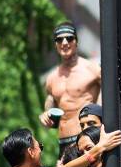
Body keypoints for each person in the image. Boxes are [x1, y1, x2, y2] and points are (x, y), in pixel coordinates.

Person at [39, 22, 102, 156]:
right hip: (63, 141)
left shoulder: (92, 69)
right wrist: (46, 115)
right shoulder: (51, 77)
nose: (65, 42)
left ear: (76, 42)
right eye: (59, 39)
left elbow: (108, 100)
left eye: (69, 38)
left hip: (87, 138)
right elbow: (51, 102)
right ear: (56, 44)